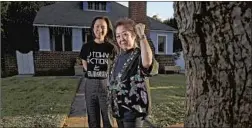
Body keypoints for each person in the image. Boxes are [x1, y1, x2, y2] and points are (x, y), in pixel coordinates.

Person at [108, 18, 158, 128]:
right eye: (118, 36)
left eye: (125, 34)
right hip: (119, 109)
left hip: (134, 110)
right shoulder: (118, 57)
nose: (121, 39)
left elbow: (147, 63)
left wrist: (142, 36)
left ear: (134, 35)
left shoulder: (139, 54)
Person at [79, 16, 117, 128]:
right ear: (93, 28)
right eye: (97, 26)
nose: (99, 29)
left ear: (107, 29)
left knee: (107, 117)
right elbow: (85, 64)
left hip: (106, 84)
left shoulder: (111, 48)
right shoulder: (86, 46)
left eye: (102, 27)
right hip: (90, 84)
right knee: (92, 118)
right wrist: (94, 72)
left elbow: (114, 67)